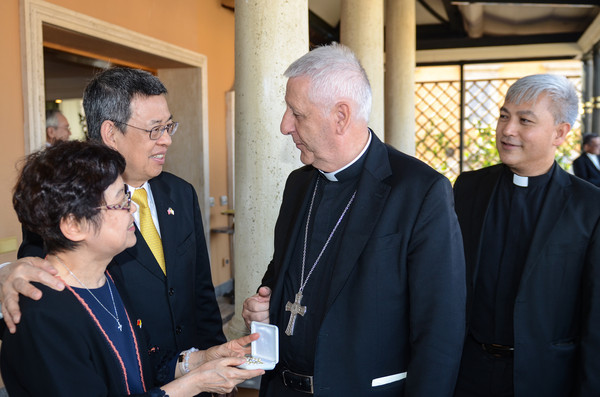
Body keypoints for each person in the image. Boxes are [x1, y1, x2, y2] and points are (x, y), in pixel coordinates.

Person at [242, 43, 466, 396]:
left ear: (341, 116)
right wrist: (263, 310)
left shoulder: (419, 191)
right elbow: (286, 275)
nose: (285, 126)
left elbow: (440, 330)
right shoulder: (299, 183)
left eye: (296, 113)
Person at [0, 68, 226, 389]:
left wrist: (210, 357)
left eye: (168, 126)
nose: (168, 138)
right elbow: (36, 278)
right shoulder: (66, 206)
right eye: (155, 129)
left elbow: (200, 289)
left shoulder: (181, 192)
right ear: (111, 133)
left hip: (177, 370)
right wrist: (7, 273)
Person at [2, 140, 264, 396]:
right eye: (120, 201)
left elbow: (141, 369)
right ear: (74, 225)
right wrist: (192, 384)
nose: (134, 207)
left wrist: (203, 359)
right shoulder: (43, 318)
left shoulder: (107, 281)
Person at [453, 74, 600, 397]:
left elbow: (595, 320)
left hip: (546, 379)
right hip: (467, 374)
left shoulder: (589, 206)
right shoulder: (467, 188)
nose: (507, 130)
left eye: (525, 120)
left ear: (560, 133)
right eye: (504, 116)